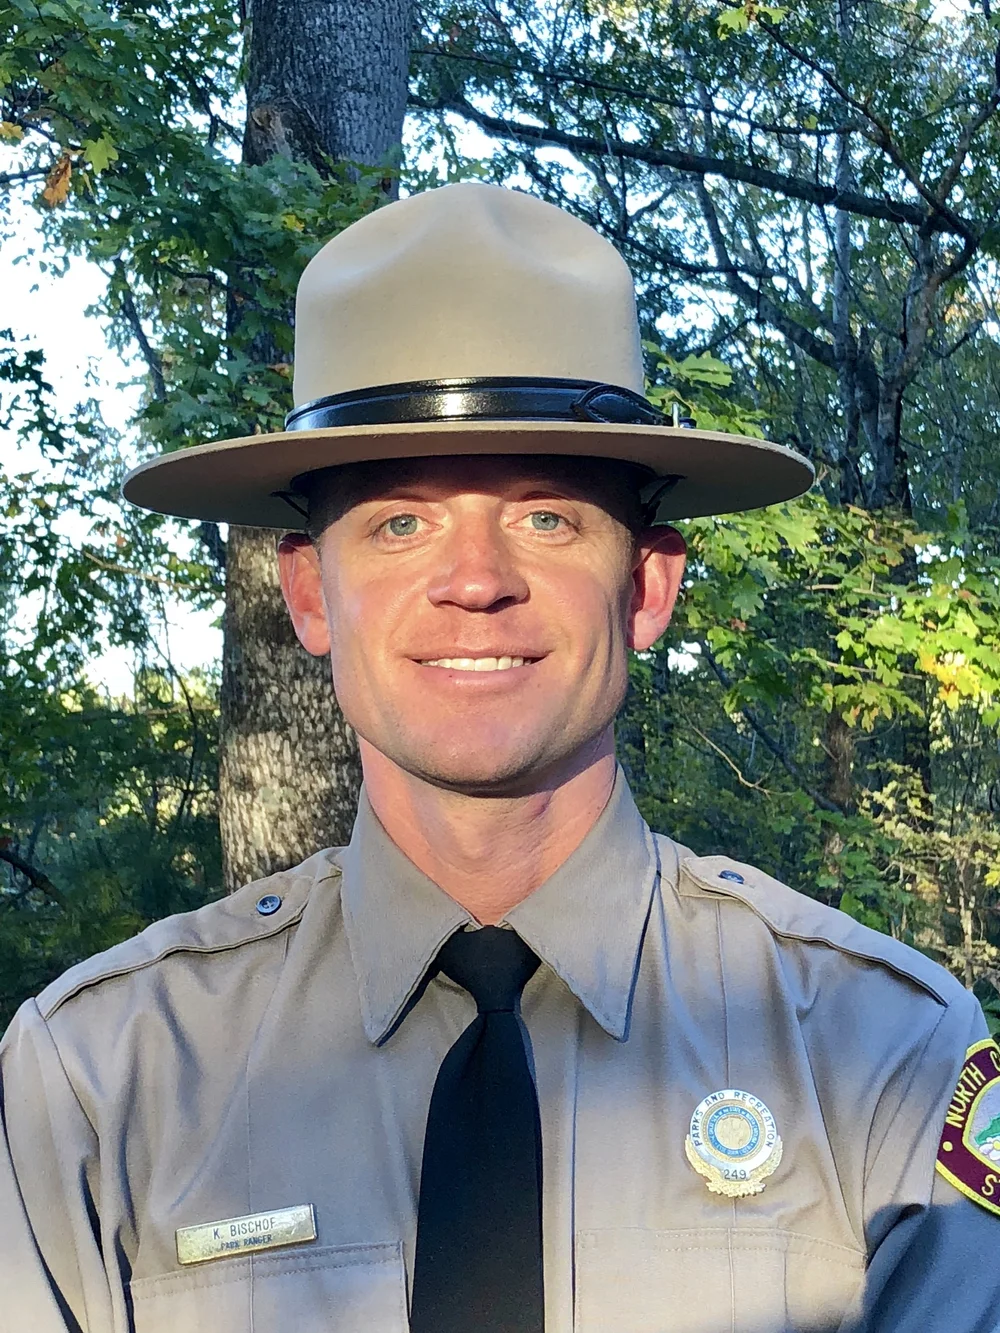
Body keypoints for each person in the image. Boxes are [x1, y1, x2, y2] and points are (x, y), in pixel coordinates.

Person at [1, 183, 997, 1333]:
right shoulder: (100, 1083)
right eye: (400, 522)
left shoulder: (881, 1056)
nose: (474, 580)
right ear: (310, 594)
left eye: (544, 517)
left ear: (647, 586)